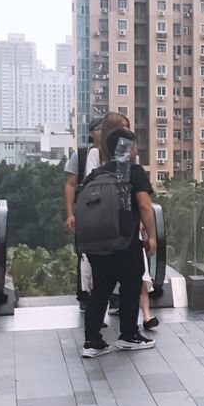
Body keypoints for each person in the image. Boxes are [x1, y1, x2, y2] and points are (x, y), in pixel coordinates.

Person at [79, 127, 158, 357]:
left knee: (100, 291)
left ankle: (92, 341)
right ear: (128, 147)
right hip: (125, 242)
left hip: (97, 244)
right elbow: (144, 206)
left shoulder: (96, 174)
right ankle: (129, 335)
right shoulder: (133, 172)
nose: (135, 149)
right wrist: (151, 235)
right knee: (130, 288)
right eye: (133, 145)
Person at [65, 117, 104, 309]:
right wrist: (70, 213)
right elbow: (70, 184)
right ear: (91, 132)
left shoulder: (116, 153)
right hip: (85, 214)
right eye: (99, 129)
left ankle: (112, 296)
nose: (103, 132)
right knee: (84, 253)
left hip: (109, 215)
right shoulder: (80, 155)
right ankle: (84, 295)